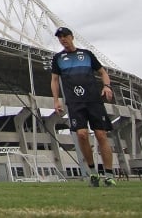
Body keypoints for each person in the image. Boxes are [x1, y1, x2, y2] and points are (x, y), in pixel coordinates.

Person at [51, 27, 117, 187]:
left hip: (93, 100)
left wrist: (107, 86)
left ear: (72, 37)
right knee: (81, 135)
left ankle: (108, 175)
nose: (62, 39)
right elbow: (54, 80)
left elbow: (103, 72)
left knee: (101, 135)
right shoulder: (58, 58)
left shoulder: (86, 55)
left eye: (65, 36)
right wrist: (56, 100)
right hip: (75, 102)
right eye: (59, 37)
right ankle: (93, 173)